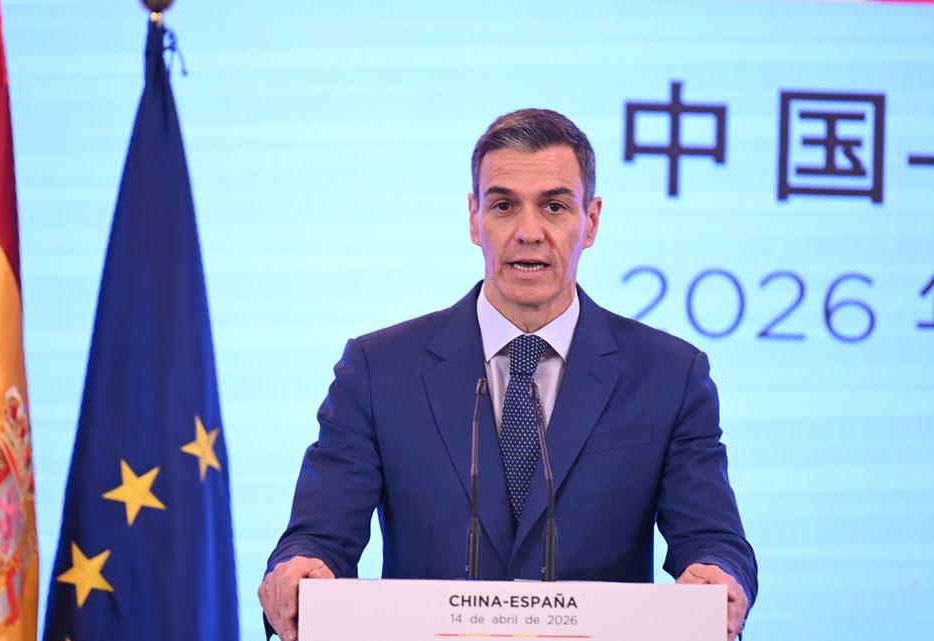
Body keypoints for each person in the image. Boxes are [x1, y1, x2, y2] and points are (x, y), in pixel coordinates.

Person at [258, 108, 757, 641]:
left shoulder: (669, 375)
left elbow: (712, 539)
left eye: (555, 206)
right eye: (503, 205)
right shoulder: (379, 370)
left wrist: (718, 578)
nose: (528, 232)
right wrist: (300, 571)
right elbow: (320, 539)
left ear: (591, 221)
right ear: (474, 219)